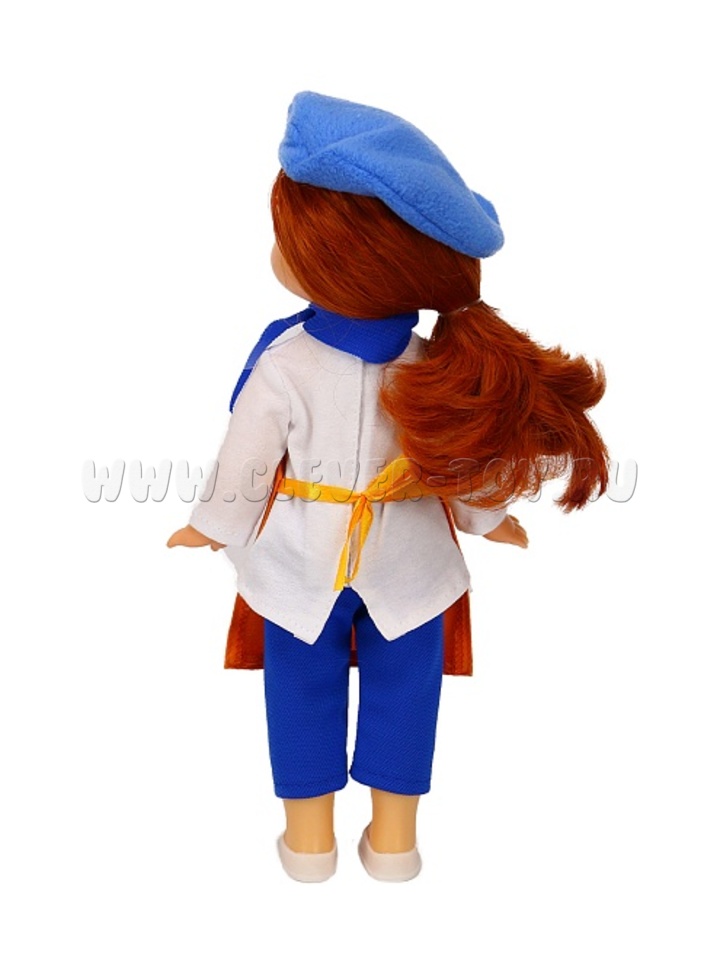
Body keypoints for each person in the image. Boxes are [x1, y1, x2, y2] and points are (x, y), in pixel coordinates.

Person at [168, 91, 608, 883]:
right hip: (409, 566)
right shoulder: (428, 366)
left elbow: (247, 461)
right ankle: (393, 845)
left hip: (303, 562)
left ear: (346, 260)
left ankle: (310, 846)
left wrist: (215, 524)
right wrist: (486, 518)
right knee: (407, 693)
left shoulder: (285, 363)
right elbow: (455, 460)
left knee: (301, 690)